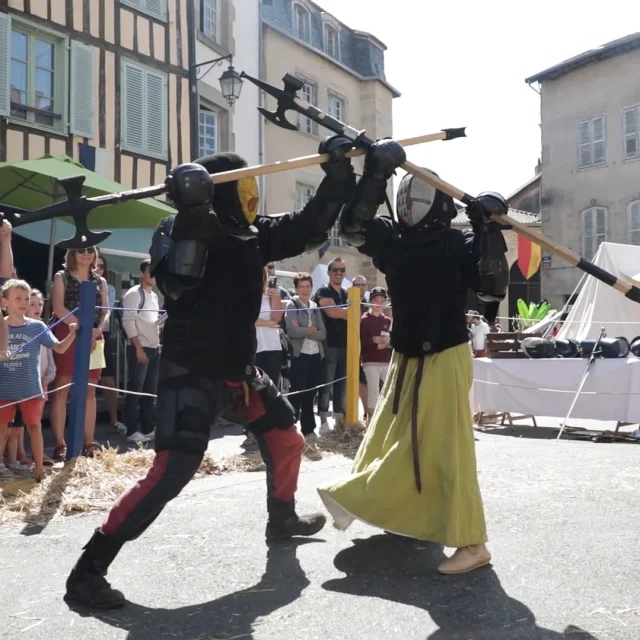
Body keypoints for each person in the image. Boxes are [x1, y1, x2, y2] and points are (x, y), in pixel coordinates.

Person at [64, 134, 359, 609]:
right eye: (241, 186)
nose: (250, 195)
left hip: (238, 369)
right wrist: (194, 215)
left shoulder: (254, 233)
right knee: (172, 471)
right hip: (192, 368)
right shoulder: (177, 229)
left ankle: (281, 518)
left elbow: (307, 227)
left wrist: (338, 173)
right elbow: (177, 285)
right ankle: (87, 570)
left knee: (286, 438)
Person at [317, 141, 510, 576]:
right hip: (406, 354)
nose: (410, 203)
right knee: (390, 437)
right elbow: (352, 225)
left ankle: (472, 542)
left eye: (420, 196)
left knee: (446, 449)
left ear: (439, 204)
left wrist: (487, 226)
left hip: (445, 352)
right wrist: (376, 174)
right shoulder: (394, 239)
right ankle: (400, 512)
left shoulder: (457, 242)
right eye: (406, 193)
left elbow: (492, 288)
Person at [0, 279, 77, 481]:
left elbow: (59, 347)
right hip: (4, 388)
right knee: (2, 431)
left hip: (30, 387)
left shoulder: (37, 326)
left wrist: (72, 334)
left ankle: (39, 470)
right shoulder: (1, 327)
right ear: (4, 302)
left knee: (34, 427)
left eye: (26, 298)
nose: (24, 302)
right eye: (17, 298)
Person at [49, 247, 108, 459]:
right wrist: (81, 327)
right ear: (73, 253)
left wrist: (96, 330)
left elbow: (105, 310)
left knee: (90, 390)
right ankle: (60, 443)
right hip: (69, 331)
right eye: (81, 250)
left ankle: (89, 441)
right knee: (62, 387)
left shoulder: (100, 280)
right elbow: (58, 307)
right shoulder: (61, 276)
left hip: (94, 335)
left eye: (90, 250)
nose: (86, 254)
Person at [121, 259, 161, 443]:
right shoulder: (134, 294)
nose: (153, 276)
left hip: (154, 347)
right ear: (142, 273)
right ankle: (131, 430)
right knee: (135, 390)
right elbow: (128, 321)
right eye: (150, 272)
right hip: (140, 348)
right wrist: (138, 348)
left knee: (149, 391)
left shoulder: (153, 296)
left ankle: (148, 427)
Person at [284, 272, 326, 438]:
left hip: (316, 354)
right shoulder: (292, 305)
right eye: (301, 286)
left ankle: (308, 430)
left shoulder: (315, 306)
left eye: (307, 286)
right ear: (296, 288)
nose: (305, 289)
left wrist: (304, 330)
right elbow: (292, 331)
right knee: (297, 393)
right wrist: (310, 329)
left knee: (311, 393)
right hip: (299, 354)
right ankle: (290, 430)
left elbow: (323, 334)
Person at [360, 286, 392, 420]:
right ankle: (371, 419)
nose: (378, 303)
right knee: (373, 391)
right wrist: (373, 339)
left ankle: (385, 417)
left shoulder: (388, 321)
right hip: (370, 361)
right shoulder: (364, 319)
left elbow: (392, 340)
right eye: (376, 300)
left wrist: (387, 343)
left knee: (390, 389)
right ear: (370, 302)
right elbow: (360, 341)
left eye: (381, 300)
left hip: (385, 360)